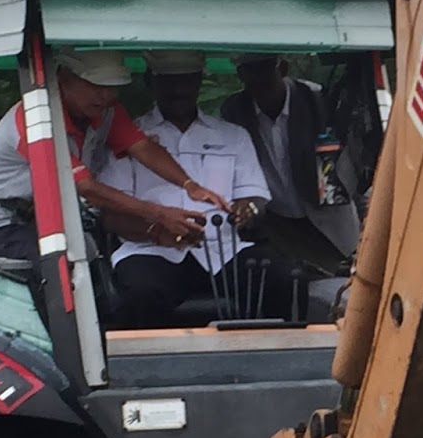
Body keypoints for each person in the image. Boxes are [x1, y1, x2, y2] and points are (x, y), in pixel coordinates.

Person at [98, 51, 307, 327]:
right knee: (139, 292)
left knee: (287, 278)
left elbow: (255, 196)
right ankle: (155, 368)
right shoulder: (130, 136)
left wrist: (248, 209)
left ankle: (277, 361)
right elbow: (111, 215)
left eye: (186, 81)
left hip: (224, 250)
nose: (179, 90)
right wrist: (156, 230)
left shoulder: (231, 135)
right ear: (151, 82)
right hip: (152, 250)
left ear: (198, 82)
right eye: (169, 82)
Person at [0, 47, 227, 261]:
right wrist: (161, 214)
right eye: (96, 85)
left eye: (112, 87)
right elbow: (86, 187)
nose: (105, 95)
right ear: (64, 79)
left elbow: (143, 148)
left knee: (95, 268)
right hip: (4, 219)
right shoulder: (35, 119)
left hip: (55, 215)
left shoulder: (106, 110)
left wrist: (190, 185)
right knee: (57, 272)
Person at [220, 53, 360, 272]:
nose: (259, 79)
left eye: (265, 69)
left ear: (282, 68)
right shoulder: (234, 111)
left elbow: (353, 154)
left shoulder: (317, 98)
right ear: (241, 75)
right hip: (276, 222)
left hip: (328, 214)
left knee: (347, 277)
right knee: (296, 284)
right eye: (251, 72)